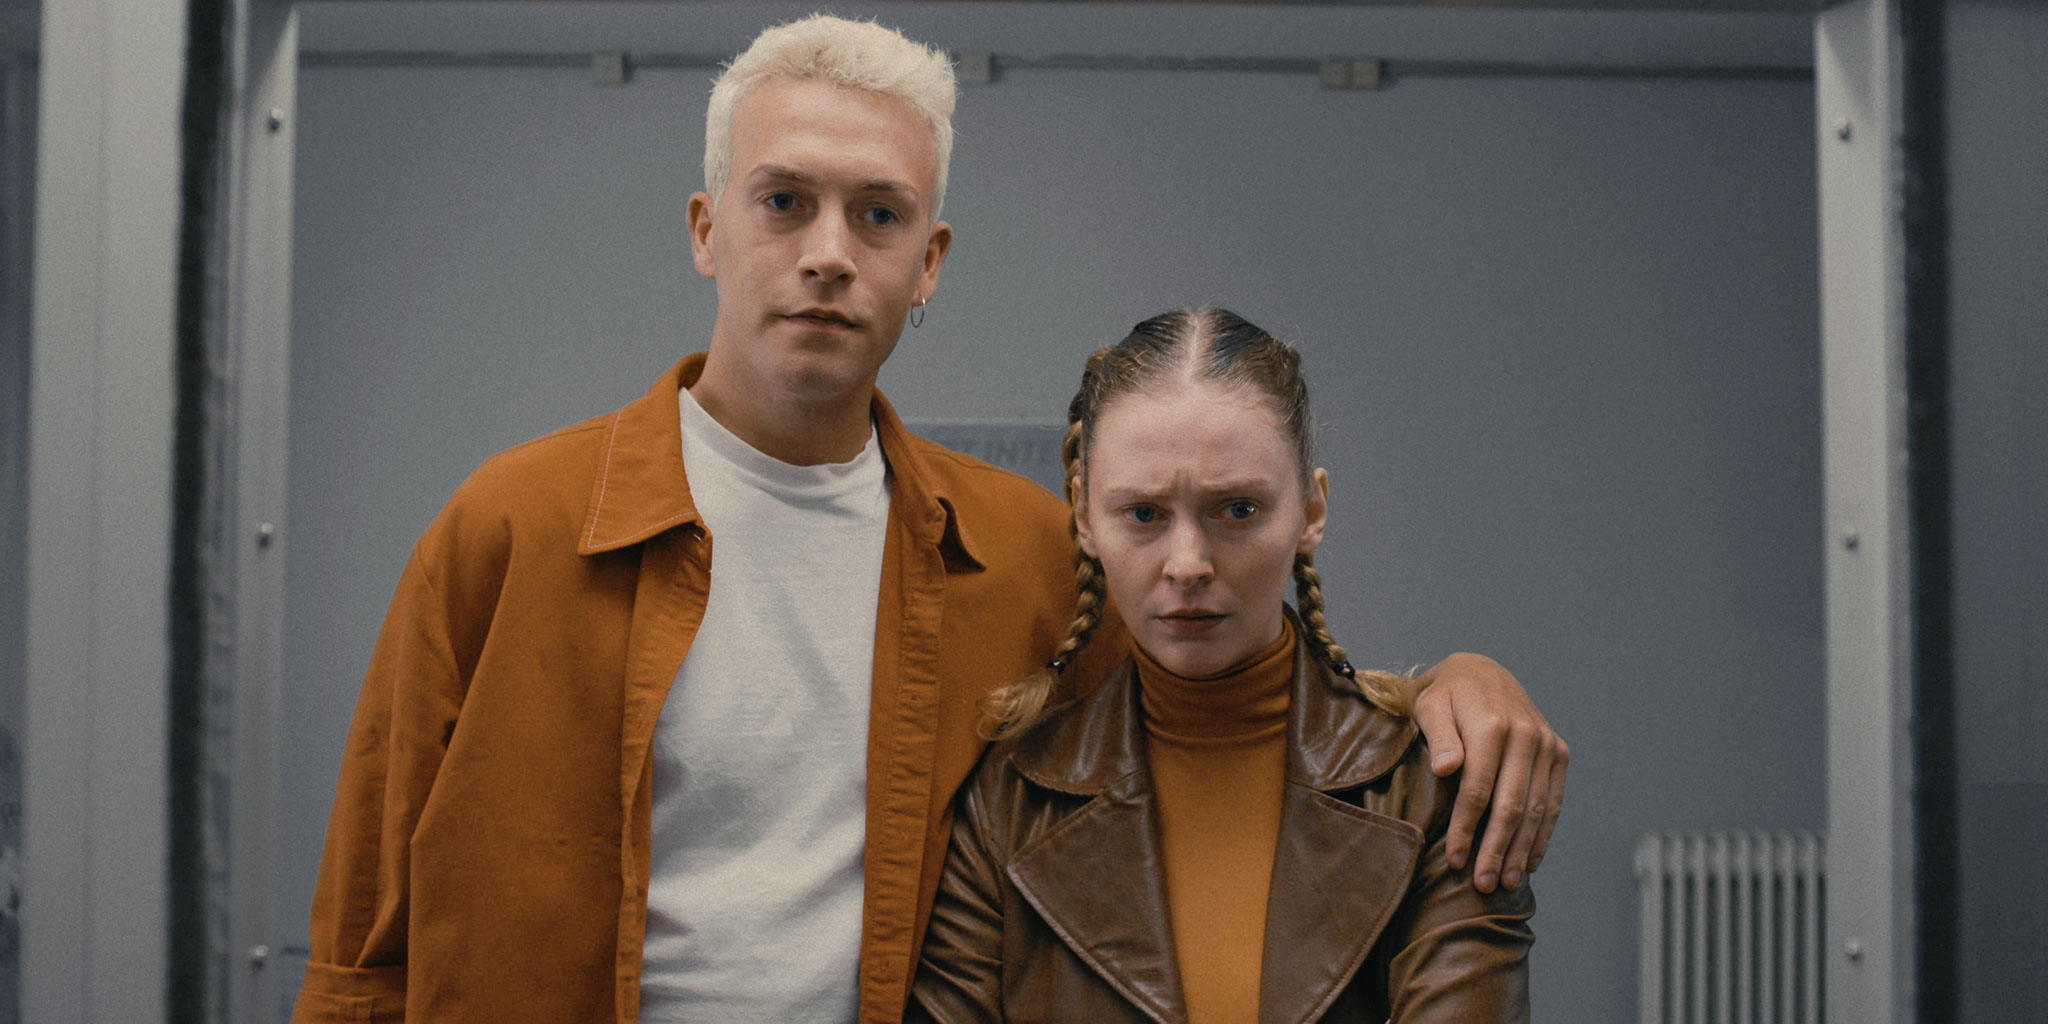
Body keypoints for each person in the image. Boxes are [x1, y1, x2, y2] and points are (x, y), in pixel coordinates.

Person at [288, 15, 1564, 1024]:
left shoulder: (1025, 555)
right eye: (782, 201)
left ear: (928, 262)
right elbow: (359, 944)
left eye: (877, 214)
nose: (828, 252)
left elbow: (1219, 704)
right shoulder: (509, 526)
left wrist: (1457, 682)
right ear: (706, 230)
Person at [908, 308, 1534, 1024]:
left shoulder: (1430, 789)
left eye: (1236, 510)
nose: (1188, 565)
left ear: (1311, 511)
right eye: (1143, 514)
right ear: (1083, 518)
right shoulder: (1006, 802)